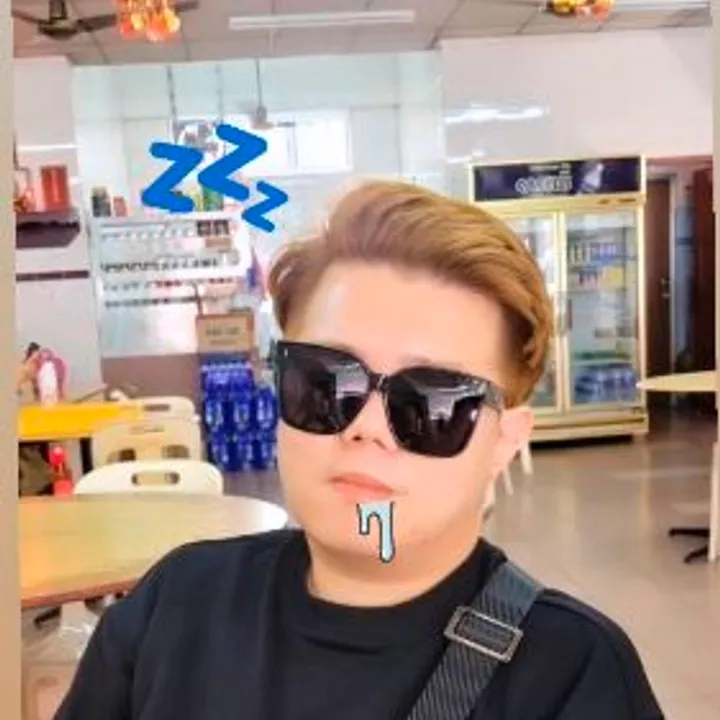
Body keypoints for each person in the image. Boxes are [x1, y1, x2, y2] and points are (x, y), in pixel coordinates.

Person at [56, 181, 663, 720]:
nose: (367, 428)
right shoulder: (179, 605)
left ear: (503, 441)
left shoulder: (571, 677)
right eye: (325, 382)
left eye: (431, 403)